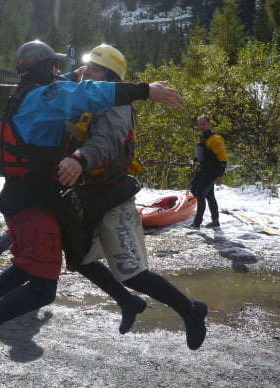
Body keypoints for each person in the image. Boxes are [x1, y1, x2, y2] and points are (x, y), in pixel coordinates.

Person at [0, 40, 184, 378]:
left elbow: (69, 84)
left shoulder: (30, 92)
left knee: (29, 266)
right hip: (32, 205)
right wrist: (145, 90)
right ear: (43, 70)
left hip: (28, 200)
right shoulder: (44, 97)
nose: (62, 72)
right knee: (43, 288)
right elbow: (82, 95)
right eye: (55, 67)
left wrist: (79, 71)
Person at [56, 44, 208, 352]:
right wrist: (74, 73)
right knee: (79, 259)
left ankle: (190, 311)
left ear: (110, 75)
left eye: (94, 69)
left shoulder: (117, 104)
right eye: (86, 68)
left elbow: (108, 141)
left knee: (131, 271)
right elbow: (54, 90)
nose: (87, 74)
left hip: (113, 194)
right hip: (87, 192)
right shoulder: (86, 92)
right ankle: (128, 303)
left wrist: (79, 158)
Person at [188, 114, 228, 229]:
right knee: (207, 194)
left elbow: (223, 158)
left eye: (204, 124)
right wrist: (193, 160)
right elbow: (201, 154)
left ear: (209, 124)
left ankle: (197, 223)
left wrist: (220, 176)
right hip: (204, 170)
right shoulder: (203, 137)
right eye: (200, 124)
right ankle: (215, 221)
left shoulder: (216, 139)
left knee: (200, 194)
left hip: (212, 172)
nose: (202, 126)